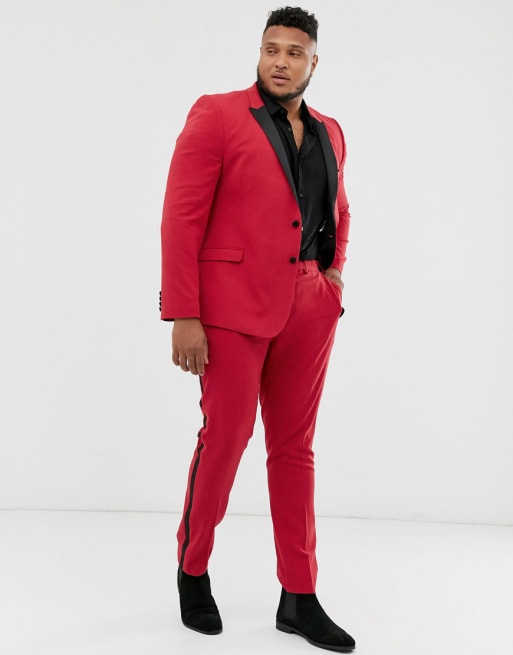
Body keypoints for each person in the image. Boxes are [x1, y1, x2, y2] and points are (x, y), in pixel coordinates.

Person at [160, 6, 355, 652]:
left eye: (294, 52)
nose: (280, 61)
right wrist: (183, 313)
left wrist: (333, 276)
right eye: (271, 49)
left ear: (313, 62)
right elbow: (180, 218)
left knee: (295, 449)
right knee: (226, 437)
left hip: (309, 306)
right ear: (259, 52)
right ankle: (193, 569)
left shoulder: (330, 131)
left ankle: (299, 595)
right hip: (229, 310)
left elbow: (338, 208)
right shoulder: (217, 115)